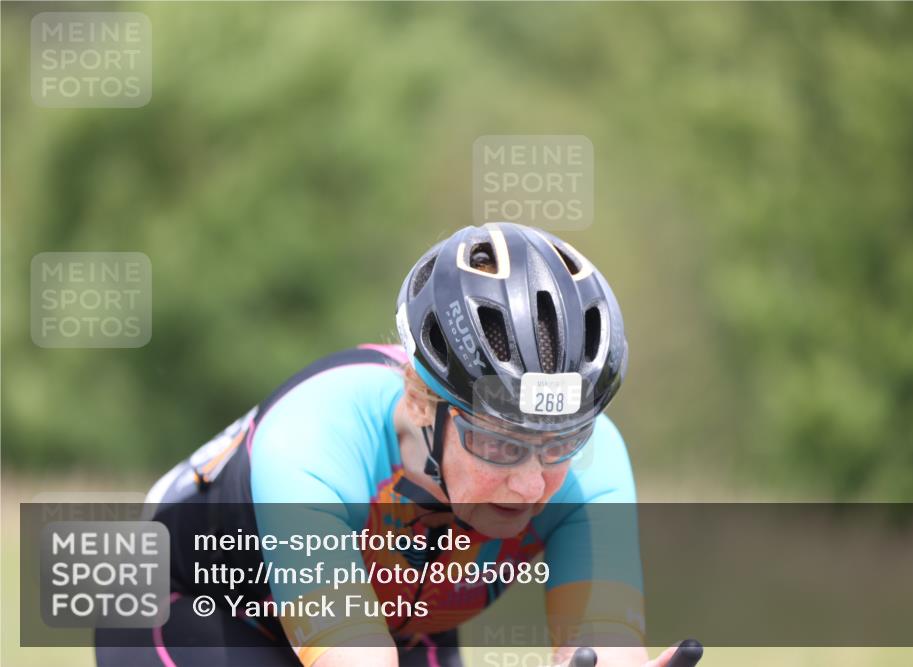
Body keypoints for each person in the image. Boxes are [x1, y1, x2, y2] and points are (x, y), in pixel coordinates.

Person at [95, 223, 685, 667]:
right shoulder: (313, 441)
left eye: (561, 441)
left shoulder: (596, 461)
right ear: (422, 402)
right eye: (502, 444)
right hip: (190, 604)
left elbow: (602, 650)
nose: (533, 483)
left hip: (400, 623)